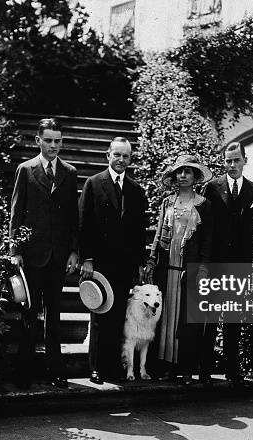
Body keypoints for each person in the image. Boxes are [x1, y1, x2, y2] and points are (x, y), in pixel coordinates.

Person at [9, 118, 79, 389]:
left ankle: (56, 370)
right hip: (32, 253)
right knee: (29, 312)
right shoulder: (25, 170)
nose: (53, 145)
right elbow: (16, 213)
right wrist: (15, 249)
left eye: (58, 141)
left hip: (58, 255)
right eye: (48, 140)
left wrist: (74, 250)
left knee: (55, 314)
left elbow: (73, 215)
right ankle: (24, 372)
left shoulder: (69, 172)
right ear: (38, 140)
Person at [79, 137, 148, 384]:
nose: (121, 160)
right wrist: (86, 258)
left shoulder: (136, 190)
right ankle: (96, 367)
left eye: (125, 156)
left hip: (124, 265)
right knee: (99, 317)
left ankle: (113, 366)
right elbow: (83, 224)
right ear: (108, 155)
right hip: (99, 264)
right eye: (116, 155)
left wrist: (140, 263)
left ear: (130, 159)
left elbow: (140, 231)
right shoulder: (93, 184)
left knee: (118, 316)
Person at [144, 154, 213, 385]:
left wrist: (202, 267)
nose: (183, 175)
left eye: (188, 171)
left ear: (195, 177)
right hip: (167, 268)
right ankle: (164, 367)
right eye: (179, 172)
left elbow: (206, 241)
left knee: (186, 321)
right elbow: (157, 235)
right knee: (165, 318)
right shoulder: (167, 202)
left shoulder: (204, 204)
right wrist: (152, 260)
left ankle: (185, 369)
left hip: (188, 270)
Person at [202, 141, 253, 387]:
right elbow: (205, 228)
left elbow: (251, 230)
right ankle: (204, 369)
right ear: (223, 162)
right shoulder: (212, 188)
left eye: (237, 160)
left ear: (245, 160)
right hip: (216, 263)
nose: (232, 165)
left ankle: (232, 369)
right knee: (210, 319)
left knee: (234, 319)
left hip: (239, 265)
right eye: (228, 160)